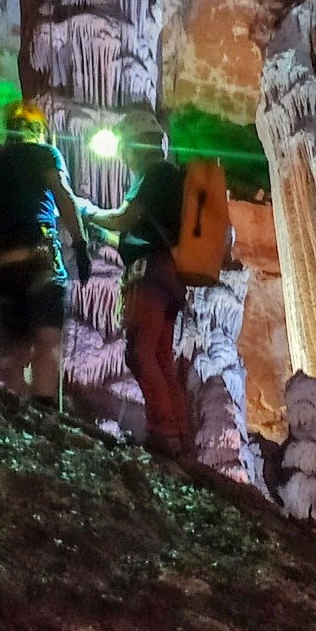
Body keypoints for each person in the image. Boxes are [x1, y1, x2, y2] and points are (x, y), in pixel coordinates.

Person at [0, 101, 91, 408]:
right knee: (48, 340)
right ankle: (45, 412)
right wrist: (81, 244)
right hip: (40, 259)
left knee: (15, 347)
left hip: (2, 267)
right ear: (39, 130)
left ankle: (13, 415)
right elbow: (64, 198)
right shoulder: (45, 154)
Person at [80, 109, 190, 456]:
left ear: (137, 144)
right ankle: (178, 436)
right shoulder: (172, 177)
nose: (124, 157)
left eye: (126, 149)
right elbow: (139, 232)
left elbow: (126, 219)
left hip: (150, 277)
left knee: (139, 353)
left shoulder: (153, 173)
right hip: (171, 276)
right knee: (160, 358)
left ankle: (161, 434)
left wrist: (87, 211)